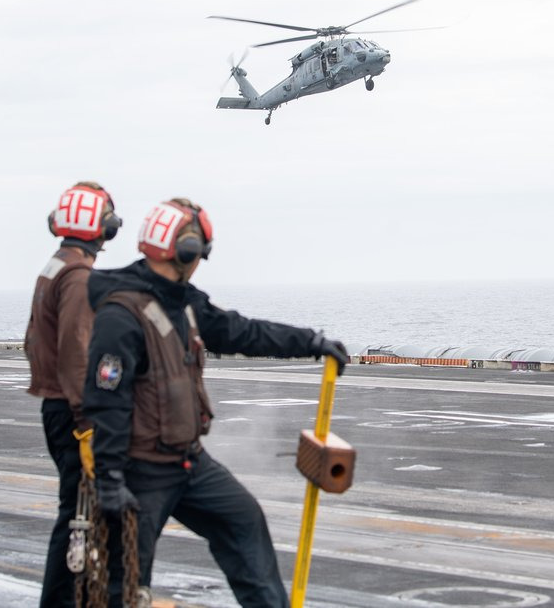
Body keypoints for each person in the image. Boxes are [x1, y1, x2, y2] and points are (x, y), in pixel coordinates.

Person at [83, 197, 348, 608]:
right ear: (187, 250)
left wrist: (311, 341)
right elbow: (106, 402)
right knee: (126, 580)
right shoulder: (122, 315)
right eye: (199, 252)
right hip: (140, 471)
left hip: (189, 463)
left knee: (244, 522)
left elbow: (241, 332)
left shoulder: (182, 303)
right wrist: (110, 480)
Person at [25, 181, 122, 608]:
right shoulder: (79, 277)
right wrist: (89, 421)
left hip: (56, 406)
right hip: (72, 413)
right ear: (103, 228)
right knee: (78, 521)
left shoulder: (55, 265)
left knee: (74, 517)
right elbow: (76, 355)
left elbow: (34, 342)